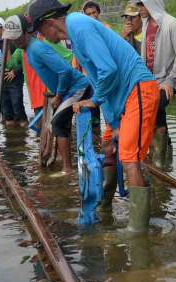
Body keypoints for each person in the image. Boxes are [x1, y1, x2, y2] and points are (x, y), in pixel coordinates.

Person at [30, 0, 160, 233]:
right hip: (121, 100)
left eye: (39, 31)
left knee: (130, 159)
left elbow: (107, 70)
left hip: (139, 90)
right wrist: (114, 123)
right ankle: (103, 210)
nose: (40, 36)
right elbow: (102, 77)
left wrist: (94, 100)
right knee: (109, 150)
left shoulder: (79, 26)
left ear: (48, 23)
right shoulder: (74, 37)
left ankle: (138, 231)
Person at [3, 15, 92, 175]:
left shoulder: (37, 49)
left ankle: (67, 169)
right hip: (69, 90)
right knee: (59, 123)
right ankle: (63, 162)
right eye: (12, 39)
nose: (15, 42)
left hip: (78, 88)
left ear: (26, 33)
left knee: (58, 123)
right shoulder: (28, 50)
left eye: (17, 38)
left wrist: (59, 95)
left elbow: (64, 71)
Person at [138, 0, 176, 165]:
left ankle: (159, 158)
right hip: (149, 80)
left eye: (143, 4)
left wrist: (170, 80)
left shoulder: (171, 24)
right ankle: (162, 156)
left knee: (156, 106)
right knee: (154, 113)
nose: (140, 8)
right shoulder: (146, 24)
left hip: (167, 80)